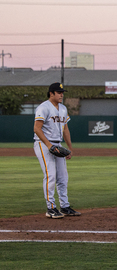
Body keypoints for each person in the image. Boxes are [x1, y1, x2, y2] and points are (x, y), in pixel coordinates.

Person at [33, 82, 81, 219]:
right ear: (51, 93)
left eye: (62, 92)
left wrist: (70, 148)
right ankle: (51, 208)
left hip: (58, 144)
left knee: (63, 177)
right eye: (59, 92)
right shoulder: (44, 107)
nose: (61, 95)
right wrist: (48, 145)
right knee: (51, 176)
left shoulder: (63, 108)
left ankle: (65, 206)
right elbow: (37, 128)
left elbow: (65, 129)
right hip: (43, 144)